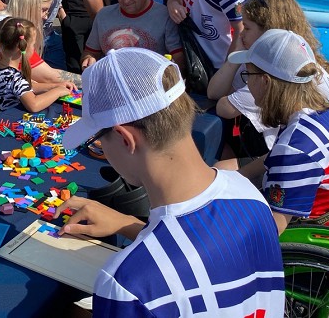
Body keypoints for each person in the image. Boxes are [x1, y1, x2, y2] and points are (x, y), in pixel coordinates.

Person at [56, 47, 284, 316]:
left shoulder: (128, 285)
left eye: (96, 141)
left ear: (125, 139)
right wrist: (125, 224)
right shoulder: (250, 196)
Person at [229, 29, 329, 233]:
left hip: (301, 232)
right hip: (319, 212)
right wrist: (236, 176)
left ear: (265, 81)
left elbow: (274, 228)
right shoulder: (323, 113)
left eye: (248, 75)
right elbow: (275, 157)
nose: (247, 83)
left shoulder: (296, 148)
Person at [207, 0, 329, 170]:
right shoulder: (294, 60)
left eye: (247, 28)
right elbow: (214, 92)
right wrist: (238, 53)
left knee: (217, 166)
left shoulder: (278, 74)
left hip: (300, 159)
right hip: (301, 147)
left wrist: (242, 174)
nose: (241, 34)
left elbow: (224, 108)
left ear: (268, 33)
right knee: (221, 146)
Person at [80, 0, 169, 69]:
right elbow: (90, 52)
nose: (126, 0)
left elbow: (178, 60)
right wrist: (89, 59)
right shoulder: (103, 15)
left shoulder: (164, 15)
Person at [0, 17, 73, 114]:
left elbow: (27, 88)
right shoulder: (14, 77)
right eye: (33, 44)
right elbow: (34, 105)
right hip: (12, 120)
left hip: (2, 118)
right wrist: (57, 91)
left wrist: (54, 86)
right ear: (22, 47)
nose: (34, 48)